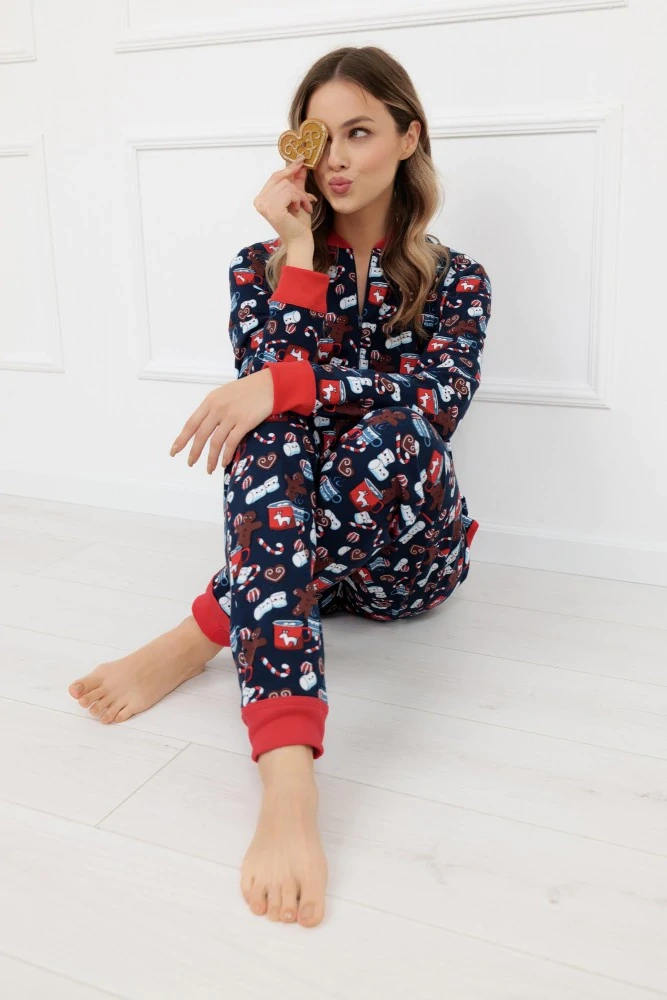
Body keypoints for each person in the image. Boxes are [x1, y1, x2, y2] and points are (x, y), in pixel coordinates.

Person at [67, 45, 491, 930]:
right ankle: (289, 783)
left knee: (396, 434)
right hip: (301, 570)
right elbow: (272, 412)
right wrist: (298, 251)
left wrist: (290, 383)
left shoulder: (458, 280)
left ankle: (203, 629)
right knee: (264, 437)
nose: (334, 158)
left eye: (359, 132)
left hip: (408, 561)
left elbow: (437, 404)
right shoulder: (256, 267)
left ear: (408, 137)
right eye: (318, 136)